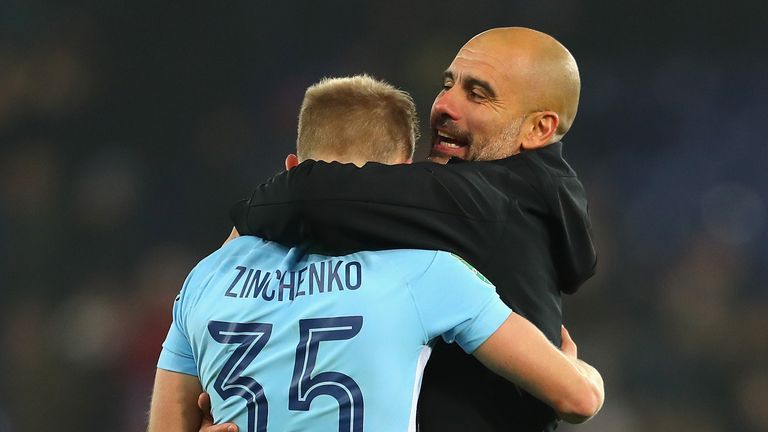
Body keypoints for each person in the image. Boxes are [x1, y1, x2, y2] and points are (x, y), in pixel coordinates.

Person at [148, 75, 604, 432]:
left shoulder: (207, 276)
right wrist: (582, 371)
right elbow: (576, 400)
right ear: (402, 176)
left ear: (291, 167)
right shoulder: (427, 274)